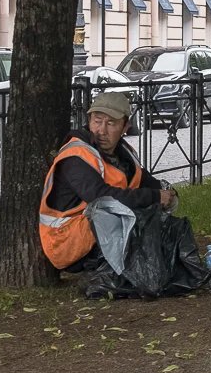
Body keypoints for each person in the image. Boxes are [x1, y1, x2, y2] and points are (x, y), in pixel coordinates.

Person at [39, 91, 177, 273]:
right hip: (65, 243)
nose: (101, 130)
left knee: (149, 213)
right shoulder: (76, 156)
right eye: (97, 121)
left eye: (111, 123)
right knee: (112, 209)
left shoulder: (124, 154)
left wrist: (168, 193)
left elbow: (145, 181)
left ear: (125, 126)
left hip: (93, 237)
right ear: (89, 120)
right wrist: (154, 196)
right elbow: (102, 198)